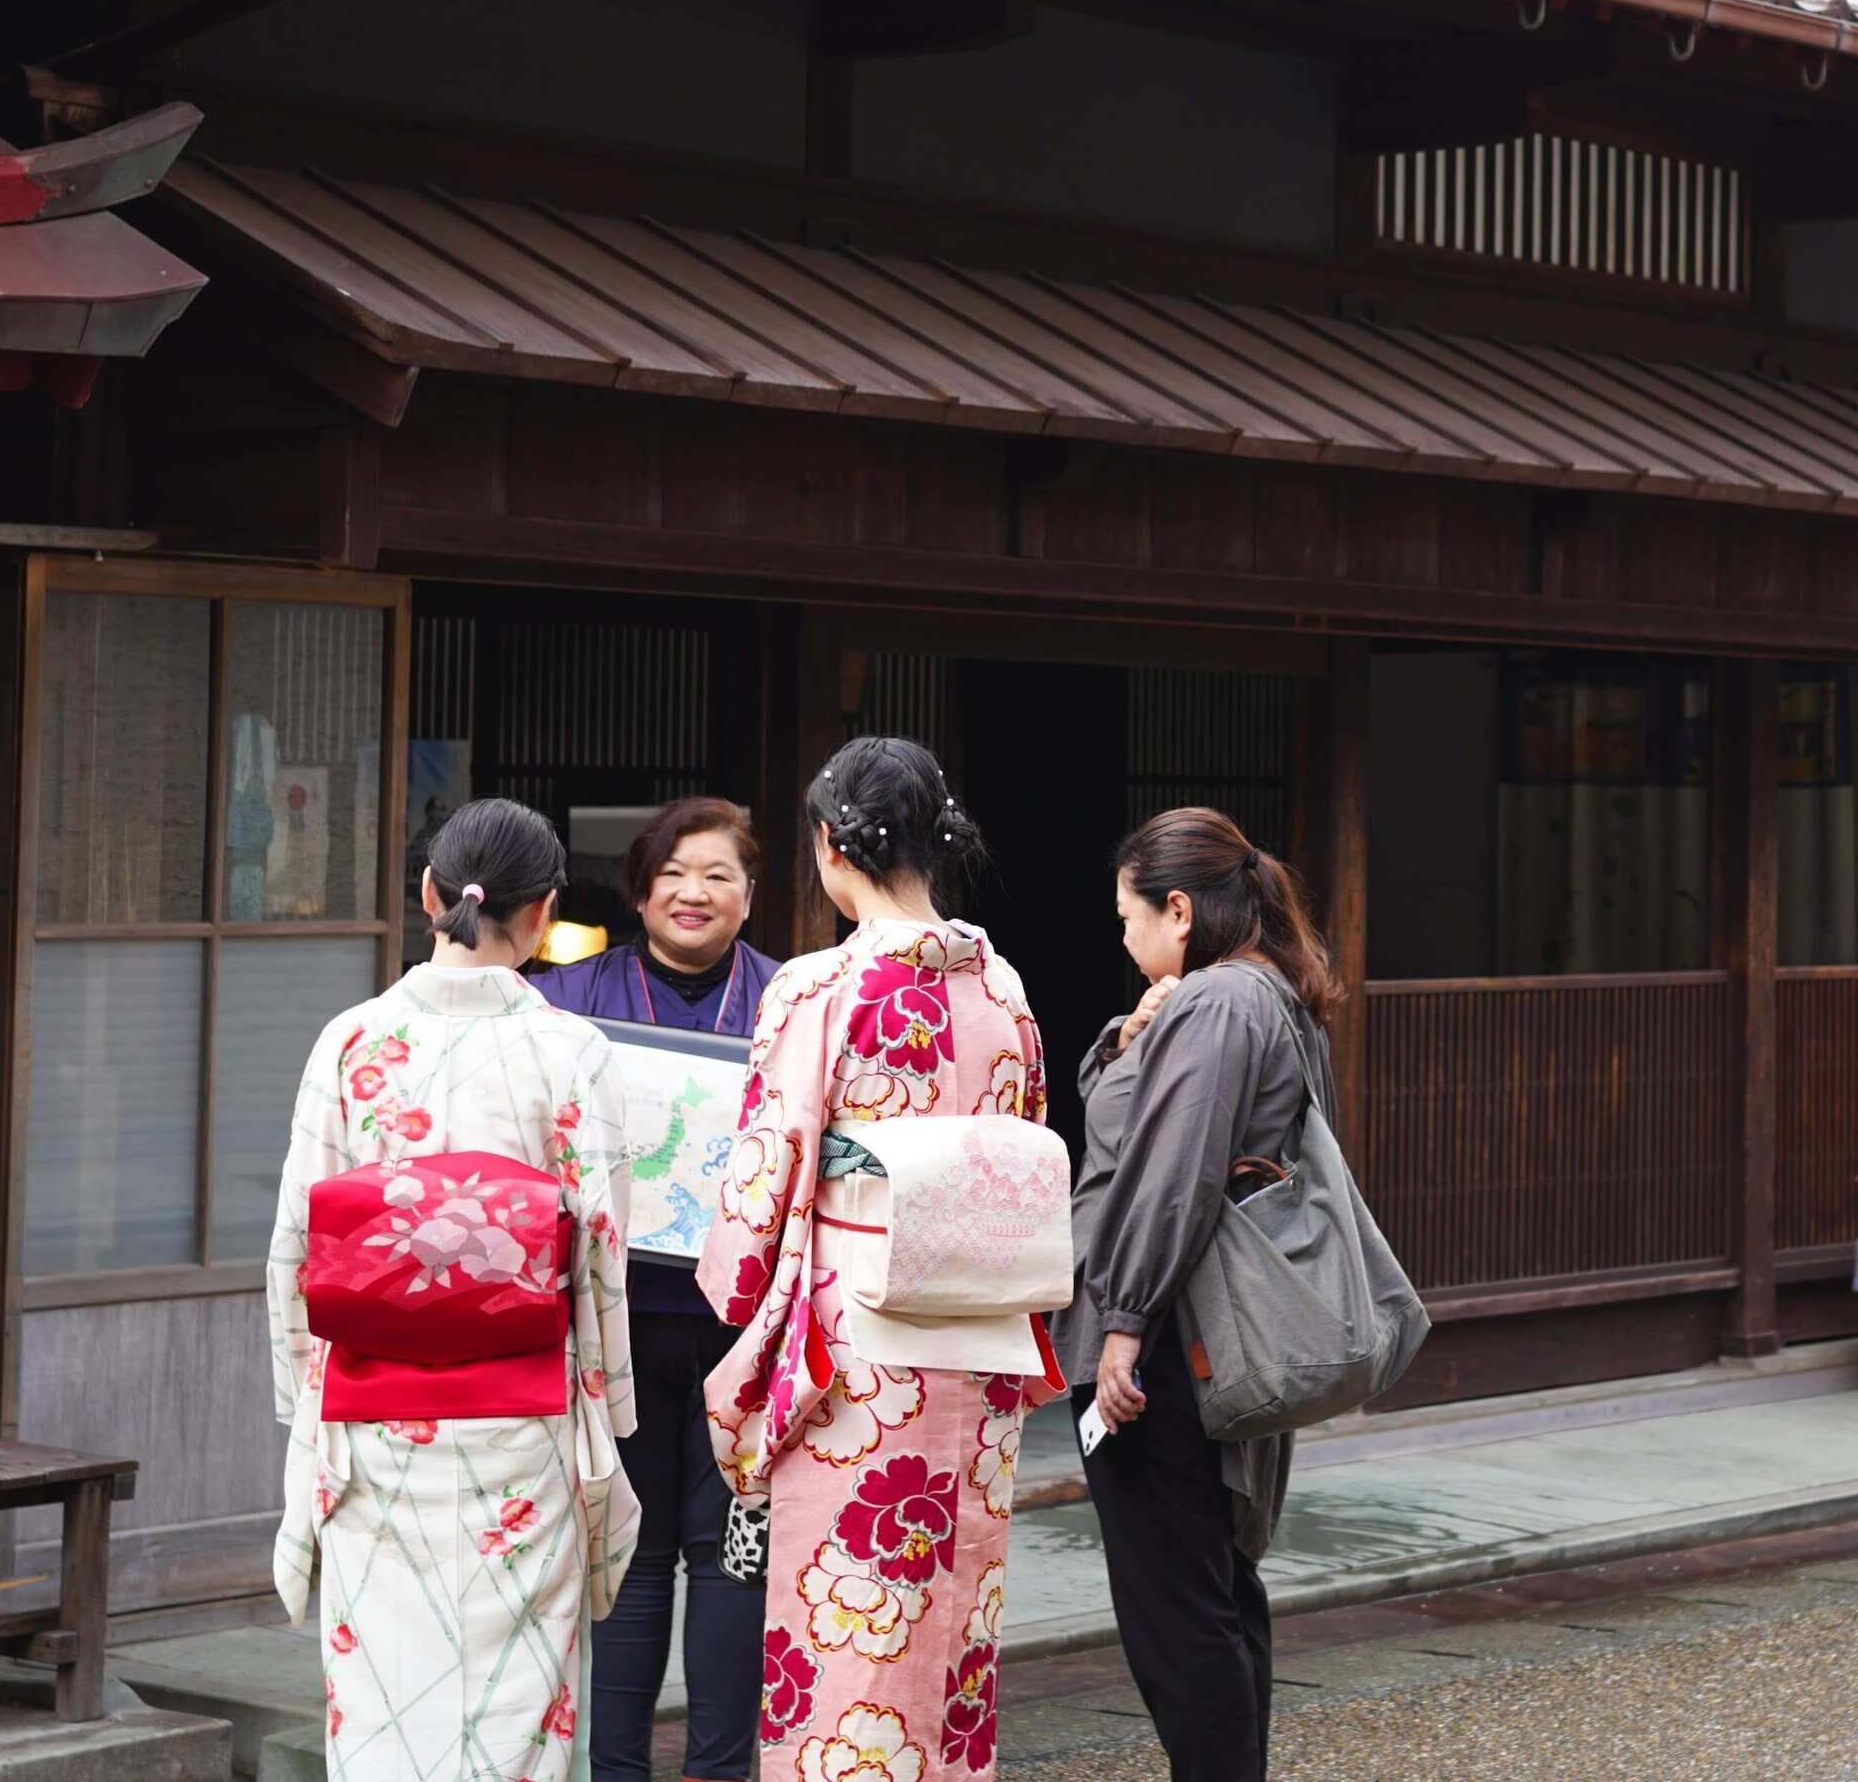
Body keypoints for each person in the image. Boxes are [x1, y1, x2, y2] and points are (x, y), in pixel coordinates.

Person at [695, 738, 1063, 1782]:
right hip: (980, 1339)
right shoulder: (1006, 986)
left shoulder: (819, 990)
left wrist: (733, 1281)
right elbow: (1020, 1148)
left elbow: (765, 1181)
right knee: (951, 1615)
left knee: (848, 1623)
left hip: (857, 1354)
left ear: (831, 846)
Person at [267, 799, 643, 1782]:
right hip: (520, 1428)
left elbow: (299, 1249)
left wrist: (303, 1405)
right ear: (545, 909)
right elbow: (601, 1252)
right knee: (519, 1703)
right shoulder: (572, 1052)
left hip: (372, 1427)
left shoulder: (351, 1042)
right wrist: (606, 1410)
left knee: (385, 1706)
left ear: (431, 895)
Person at [1066, 807, 1347, 1782]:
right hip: (1225, 1339)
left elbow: (1172, 1176)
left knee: (1178, 1617)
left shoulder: (1218, 1004)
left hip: (1173, 1341)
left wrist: (1121, 1324)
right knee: (1217, 1594)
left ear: (1177, 909)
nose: (1124, 937)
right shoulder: (1271, 996)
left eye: (1127, 917)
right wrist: (1129, 1032)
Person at [535, 798, 781, 1782]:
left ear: (751, 896)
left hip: (744, 1330)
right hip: (616, 1329)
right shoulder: (567, 998)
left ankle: (722, 1770)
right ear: (639, 887)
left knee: (734, 1554)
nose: (694, 892)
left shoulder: (790, 1001)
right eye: (673, 872)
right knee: (629, 1556)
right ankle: (616, 1771)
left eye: (719, 874)